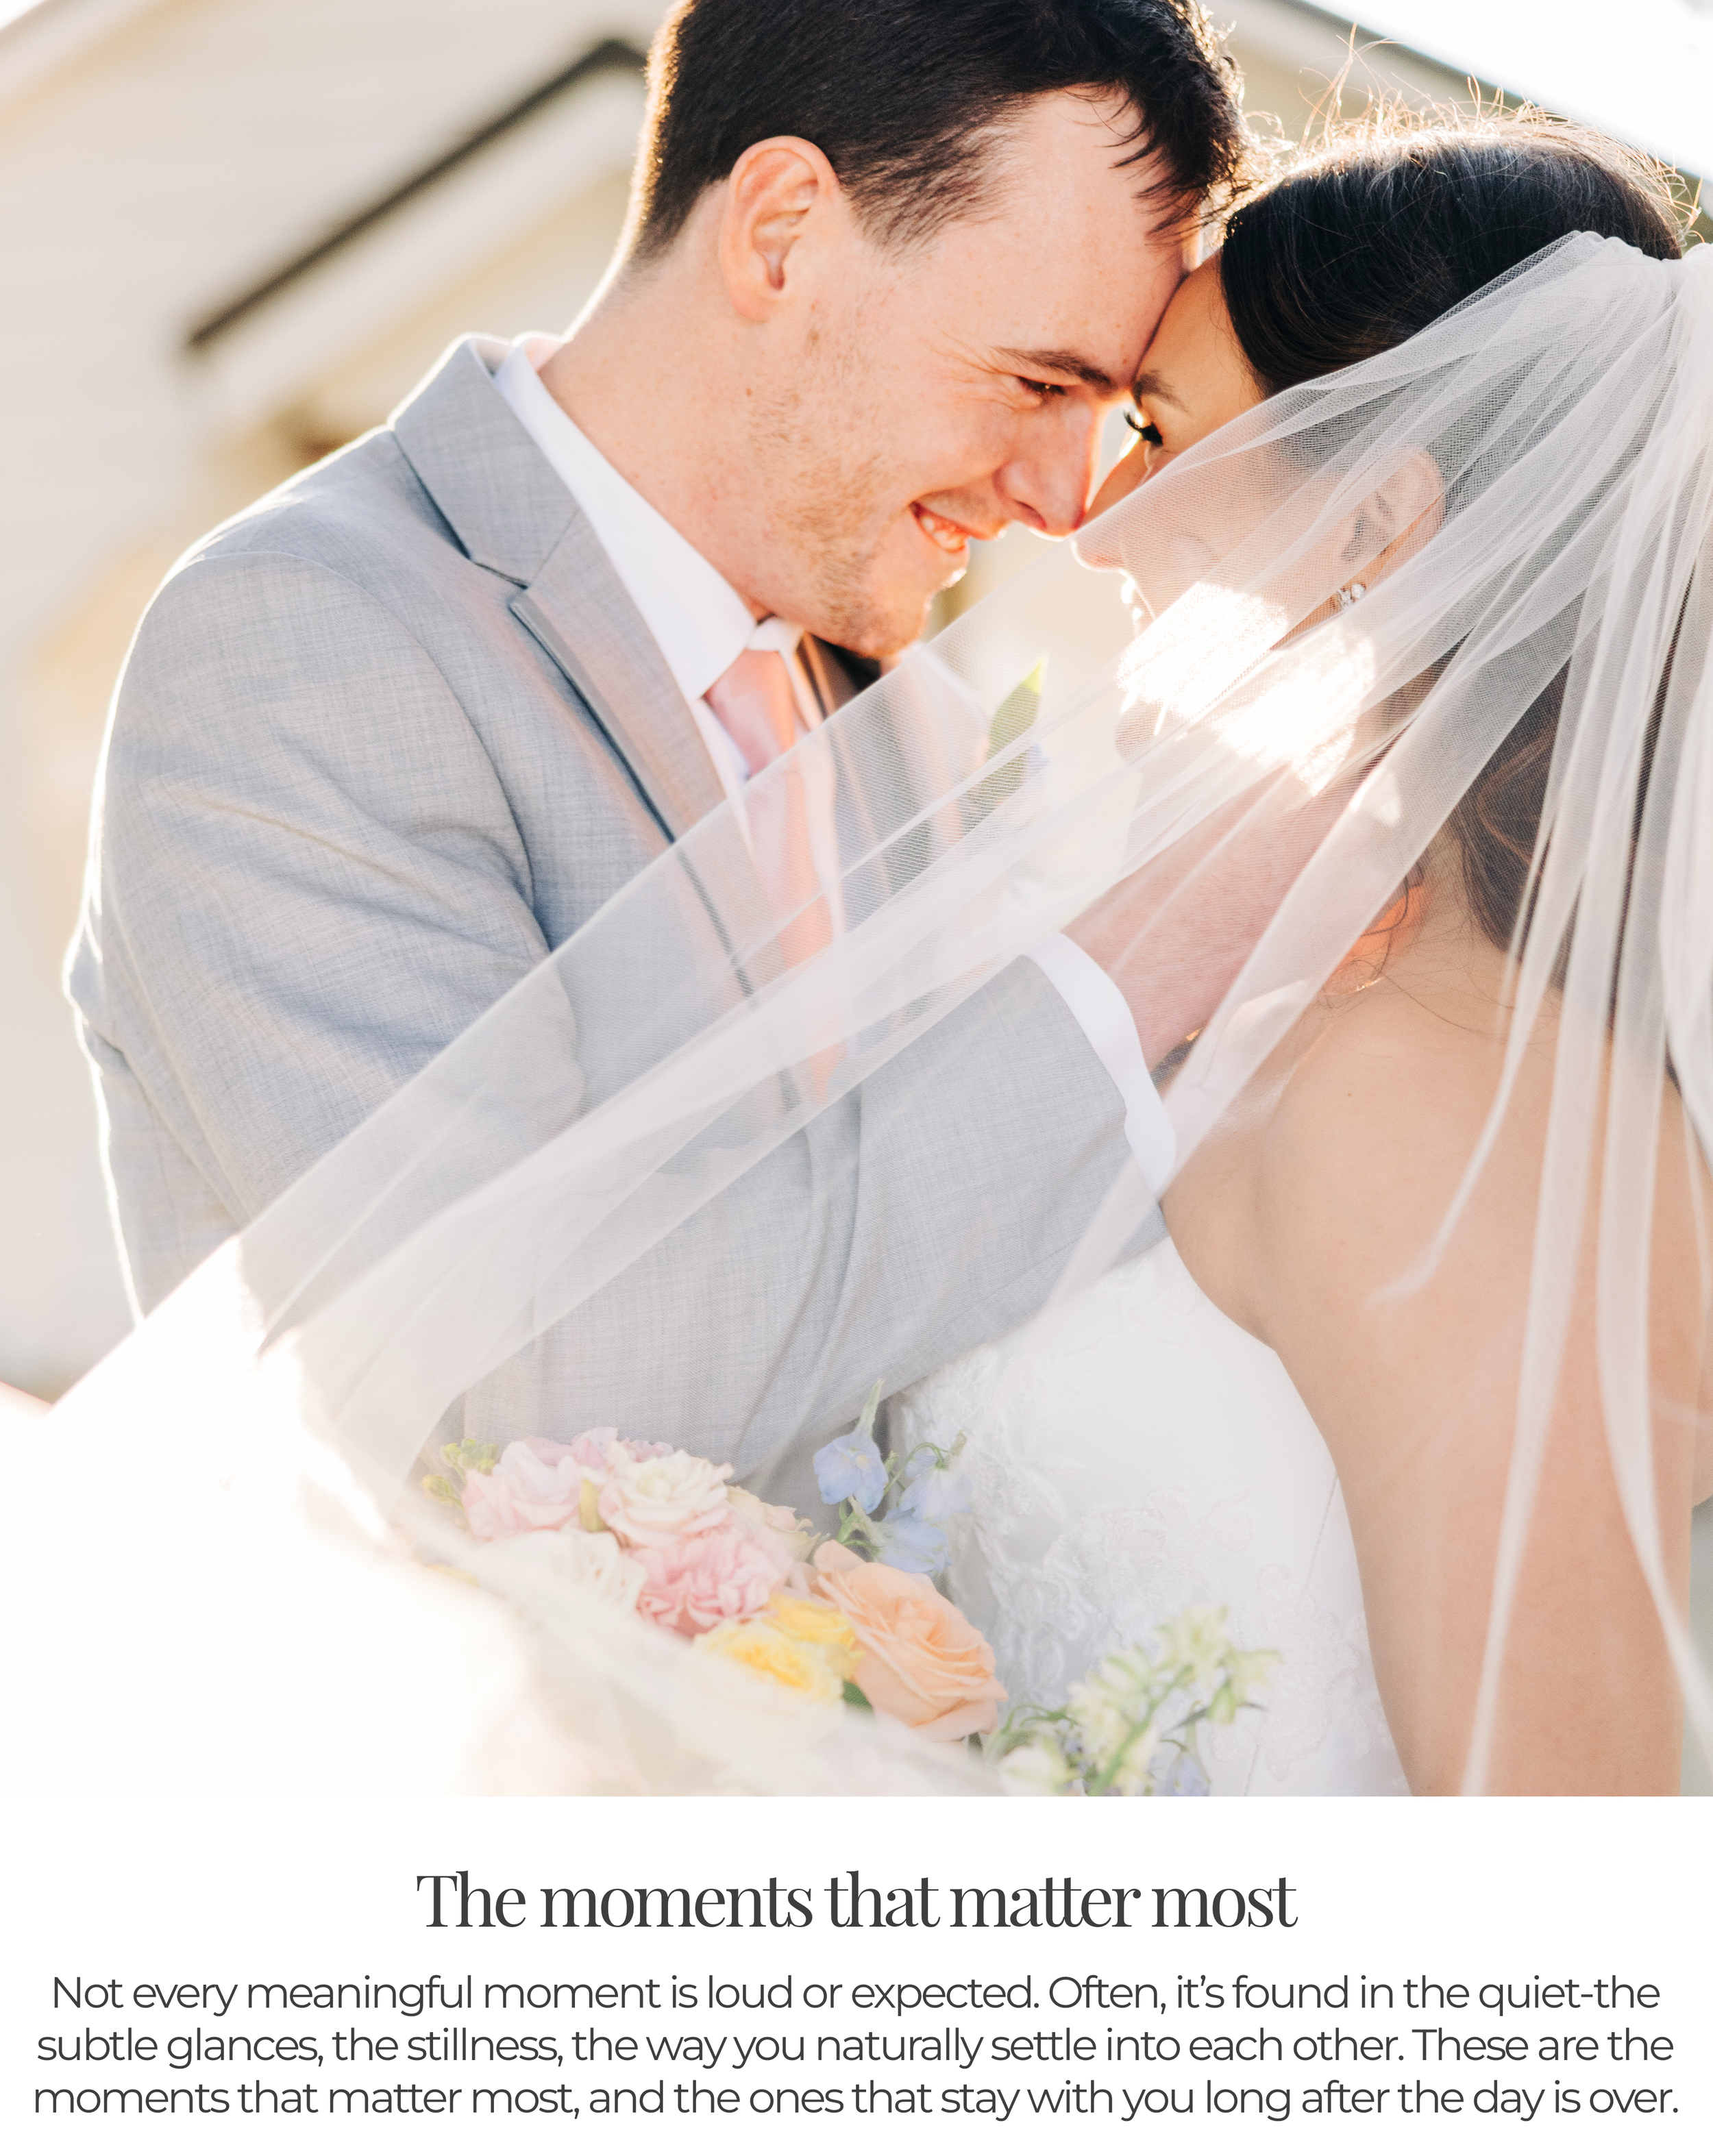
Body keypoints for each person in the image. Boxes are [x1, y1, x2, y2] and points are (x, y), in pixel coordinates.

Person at [66, 0, 1259, 1515]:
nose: (1060, 500)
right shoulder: (304, 646)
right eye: (1037, 384)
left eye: (1103, 411)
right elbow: (520, 1395)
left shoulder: (929, 725)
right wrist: (1136, 962)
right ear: (778, 234)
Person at [900, 111, 1713, 1795]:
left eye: (1161, 429)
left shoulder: (1455, 1116)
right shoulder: (1285, 984)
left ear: (1374, 528)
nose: (1090, 519)